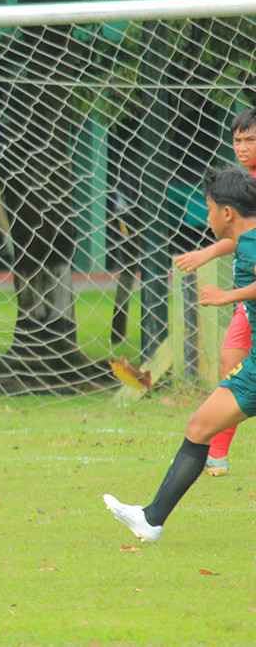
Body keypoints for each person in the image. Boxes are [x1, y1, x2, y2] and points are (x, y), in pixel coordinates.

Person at [104, 166, 256, 543]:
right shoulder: (245, 239)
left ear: (227, 213)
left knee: (199, 426)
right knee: (199, 426)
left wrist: (227, 296)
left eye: (207, 210)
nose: (205, 218)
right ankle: (151, 520)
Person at [172, 107, 256, 476]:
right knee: (230, 359)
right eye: (237, 140)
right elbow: (241, 237)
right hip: (248, 290)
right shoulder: (242, 183)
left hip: (244, 290)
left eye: (250, 140)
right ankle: (216, 454)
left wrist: (225, 293)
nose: (242, 147)